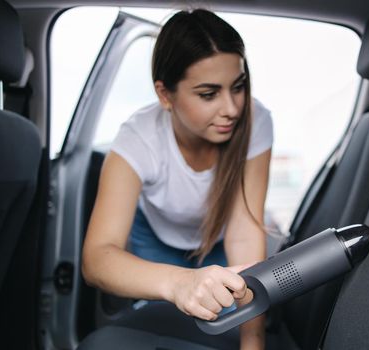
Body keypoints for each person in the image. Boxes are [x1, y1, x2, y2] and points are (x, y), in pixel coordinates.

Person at [81, 8, 273, 350]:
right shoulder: (137, 138)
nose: (231, 108)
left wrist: (253, 342)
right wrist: (178, 282)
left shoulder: (256, 122)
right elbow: (97, 258)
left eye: (238, 87)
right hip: (154, 241)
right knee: (161, 318)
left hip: (219, 244)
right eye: (208, 94)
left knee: (223, 327)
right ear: (165, 95)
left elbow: (244, 233)